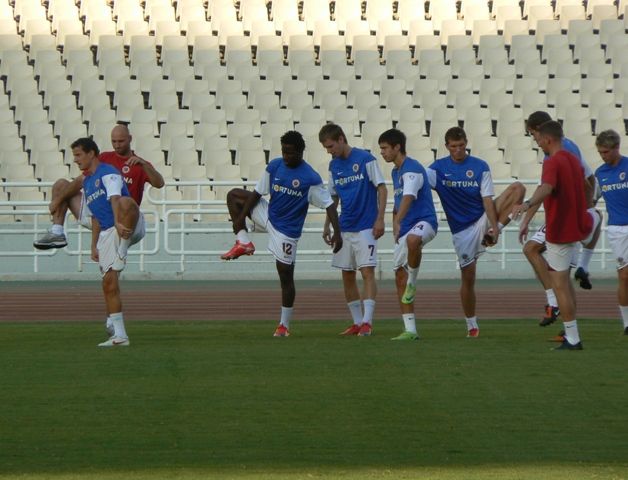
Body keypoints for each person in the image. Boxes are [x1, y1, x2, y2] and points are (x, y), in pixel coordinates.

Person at [220, 131, 343, 337]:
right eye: (284, 152)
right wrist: (240, 218)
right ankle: (243, 242)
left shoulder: (310, 178)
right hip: (268, 214)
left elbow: (329, 205)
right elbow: (258, 193)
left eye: (291, 153)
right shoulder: (275, 165)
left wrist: (336, 233)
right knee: (234, 196)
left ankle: (284, 325)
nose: (286, 157)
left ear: (301, 152)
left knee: (285, 276)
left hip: (286, 231)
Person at [427, 126, 525, 337]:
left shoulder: (480, 166)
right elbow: (417, 186)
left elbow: (487, 199)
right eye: (454, 147)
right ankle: (472, 324)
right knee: (468, 278)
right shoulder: (436, 169)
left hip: (482, 218)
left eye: (461, 146)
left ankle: (494, 231)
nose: (458, 150)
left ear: (466, 144)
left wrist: (493, 226)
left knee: (519, 189)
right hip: (461, 231)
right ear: (447, 147)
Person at [512, 121, 600, 350]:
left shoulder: (552, 161)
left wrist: (526, 204)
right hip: (580, 225)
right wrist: (586, 207)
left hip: (560, 230)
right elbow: (588, 185)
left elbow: (546, 188)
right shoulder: (574, 159)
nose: (537, 142)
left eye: (537, 138)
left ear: (548, 139)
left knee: (560, 285)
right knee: (565, 283)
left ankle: (572, 337)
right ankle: (570, 333)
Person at [33, 124, 164, 249]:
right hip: (97, 213)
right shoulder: (104, 158)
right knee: (61, 185)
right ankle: (57, 232)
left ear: (130, 139)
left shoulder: (139, 164)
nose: (117, 145)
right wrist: (58, 200)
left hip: (121, 217)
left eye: (121, 141)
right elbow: (80, 180)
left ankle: (118, 250)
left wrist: (145, 165)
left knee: (111, 264)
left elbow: (159, 183)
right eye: (114, 141)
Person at [70, 137, 146, 347]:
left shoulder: (109, 171)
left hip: (127, 224)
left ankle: (122, 249)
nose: (76, 160)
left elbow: (115, 200)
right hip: (106, 233)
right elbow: (94, 217)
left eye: (78, 155)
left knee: (126, 201)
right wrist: (93, 245)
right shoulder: (87, 182)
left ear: (91, 153)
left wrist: (119, 225)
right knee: (109, 283)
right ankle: (119, 336)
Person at [318, 123, 388, 337]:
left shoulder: (365, 159)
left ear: (341, 139)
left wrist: (380, 219)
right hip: (345, 226)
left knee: (367, 271)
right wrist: (328, 225)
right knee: (347, 273)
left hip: (366, 224)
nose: (329, 151)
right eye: (326, 148)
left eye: (331, 146)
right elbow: (333, 197)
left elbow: (382, 187)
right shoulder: (333, 166)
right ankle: (357, 322)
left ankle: (368, 321)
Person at [379, 128, 438, 341]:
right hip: (405, 228)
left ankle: (413, 281)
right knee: (398, 276)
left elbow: (408, 197)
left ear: (397, 147)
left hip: (425, 222)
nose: (382, 153)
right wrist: (396, 222)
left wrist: (396, 219)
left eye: (385, 148)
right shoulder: (395, 172)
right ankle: (410, 330)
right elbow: (398, 200)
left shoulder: (411, 169)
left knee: (414, 241)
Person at [593, 130, 628, 335]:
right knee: (624, 276)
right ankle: (626, 323)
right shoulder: (600, 174)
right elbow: (592, 200)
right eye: (600, 152)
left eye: (606, 152)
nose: (603, 156)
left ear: (616, 148)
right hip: (617, 230)